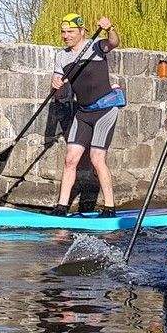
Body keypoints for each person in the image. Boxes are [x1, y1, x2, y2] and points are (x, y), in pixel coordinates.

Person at [50, 13, 121, 217]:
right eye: (63, 32)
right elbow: (58, 87)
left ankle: (109, 207)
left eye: (71, 32)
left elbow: (114, 42)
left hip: (105, 110)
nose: (66, 36)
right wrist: (55, 85)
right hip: (83, 113)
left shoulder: (96, 46)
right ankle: (62, 206)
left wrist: (110, 28)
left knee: (97, 158)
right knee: (70, 159)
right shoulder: (62, 57)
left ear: (82, 31)